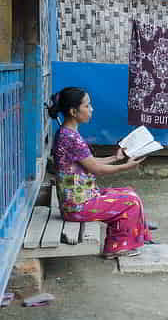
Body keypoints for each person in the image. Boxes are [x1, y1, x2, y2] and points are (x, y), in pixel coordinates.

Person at [49, 87, 152, 259]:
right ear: (74, 111)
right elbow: (97, 169)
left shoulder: (67, 134)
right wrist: (126, 166)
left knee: (128, 192)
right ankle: (116, 247)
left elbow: (90, 163)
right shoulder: (71, 138)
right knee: (131, 202)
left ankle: (130, 239)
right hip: (77, 206)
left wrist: (115, 157)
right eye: (87, 106)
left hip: (78, 200)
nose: (91, 109)